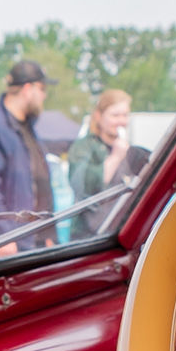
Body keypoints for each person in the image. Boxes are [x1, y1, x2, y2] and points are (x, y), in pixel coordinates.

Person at [0, 59, 56, 256]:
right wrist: (3, 237)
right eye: (42, 89)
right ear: (28, 88)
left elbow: (39, 181)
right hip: (12, 243)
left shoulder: (27, 127)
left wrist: (48, 233)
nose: (44, 96)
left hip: (34, 238)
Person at [66, 88, 134, 238]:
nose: (121, 121)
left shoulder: (130, 151)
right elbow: (82, 186)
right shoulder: (84, 147)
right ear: (98, 116)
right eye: (115, 115)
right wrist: (116, 157)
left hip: (119, 235)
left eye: (125, 115)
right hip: (88, 239)